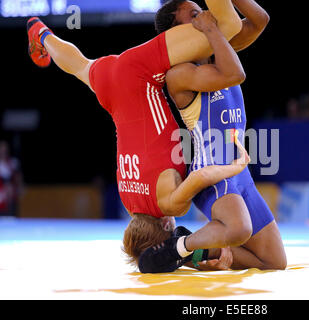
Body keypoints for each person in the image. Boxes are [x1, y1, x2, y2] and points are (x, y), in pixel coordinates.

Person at [27, 0, 249, 270]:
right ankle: (41, 34)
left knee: (228, 25)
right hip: (112, 90)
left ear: (166, 229)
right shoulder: (130, 202)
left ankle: (42, 35)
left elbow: (202, 175)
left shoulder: (170, 205)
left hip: (140, 76)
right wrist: (198, 259)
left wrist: (236, 165)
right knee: (80, 66)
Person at [138, 0, 287, 273]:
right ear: (174, 34)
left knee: (275, 263)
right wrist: (212, 29)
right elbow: (235, 74)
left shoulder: (217, 50)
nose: (206, 17)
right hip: (212, 174)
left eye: (203, 11)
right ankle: (178, 245)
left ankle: (199, 253)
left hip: (240, 176)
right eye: (195, 15)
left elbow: (260, 20)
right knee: (239, 228)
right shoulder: (179, 74)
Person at [0, 141, 23, 216]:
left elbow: (18, 178)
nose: (3, 151)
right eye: (1, 149)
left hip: (10, 198)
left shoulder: (13, 162)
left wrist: (19, 187)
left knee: (12, 218)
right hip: (1, 197)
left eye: (4, 149)